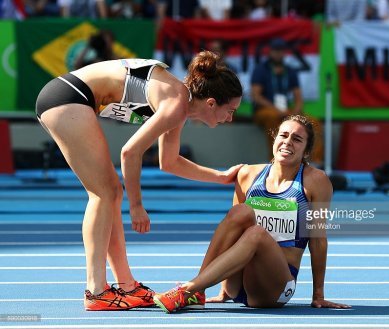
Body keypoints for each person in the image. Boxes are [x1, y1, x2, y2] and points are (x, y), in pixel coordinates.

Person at [35, 52, 243, 311]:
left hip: (68, 97)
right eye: (230, 110)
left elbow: (169, 162)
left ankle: (127, 285)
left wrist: (221, 177)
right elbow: (130, 152)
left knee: (110, 192)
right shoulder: (176, 104)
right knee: (104, 193)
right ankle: (96, 290)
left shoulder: (179, 104)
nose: (230, 118)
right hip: (68, 97)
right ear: (211, 103)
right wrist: (137, 206)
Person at [153, 115, 351, 312]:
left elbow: (317, 240)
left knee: (256, 234)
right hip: (237, 284)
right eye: (284, 135)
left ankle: (189, 289)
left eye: (297, 139)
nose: (287, 142)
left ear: (306, 151)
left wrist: (318, 296)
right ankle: (198, 290)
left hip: (276, 288)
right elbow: (231, 232)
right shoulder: (248, 174)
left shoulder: (316, 181)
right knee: (240, 212)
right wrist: (224, 291)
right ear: (275, 139)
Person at [251, 38, 324, 166]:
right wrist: (276, 109)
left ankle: (315, 162)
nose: (278, 54)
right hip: (266, 110)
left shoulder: (290, 71)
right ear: (270, 52)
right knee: (273, 117)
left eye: (281, 51)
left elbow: (299, 98)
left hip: (286, 110)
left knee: (313, 123)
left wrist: (295, 112)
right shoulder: (261, 69)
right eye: (275, 51)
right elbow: (256, 96)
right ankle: (275, 160)